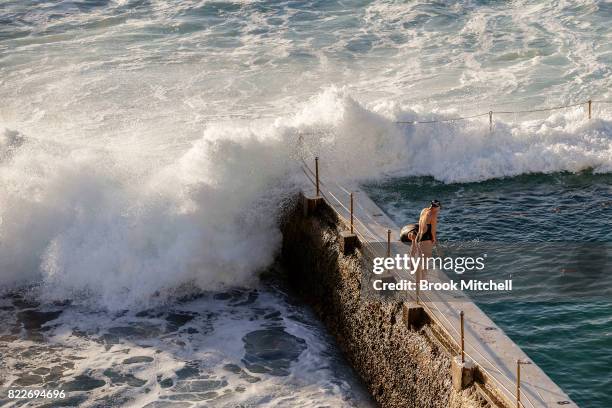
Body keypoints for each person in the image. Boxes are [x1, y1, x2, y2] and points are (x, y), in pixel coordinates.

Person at [408, 200, 441, 274]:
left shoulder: (424, 210)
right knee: (425, 263)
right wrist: (434, 240)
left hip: (418, 238)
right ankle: (422, 281)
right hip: (425, 240)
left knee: (420, 259)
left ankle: (413, 271)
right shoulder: (433, 215)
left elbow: (421, 224)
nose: (439, 210)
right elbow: (433, 231)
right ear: (436, 207)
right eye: (439, 208)